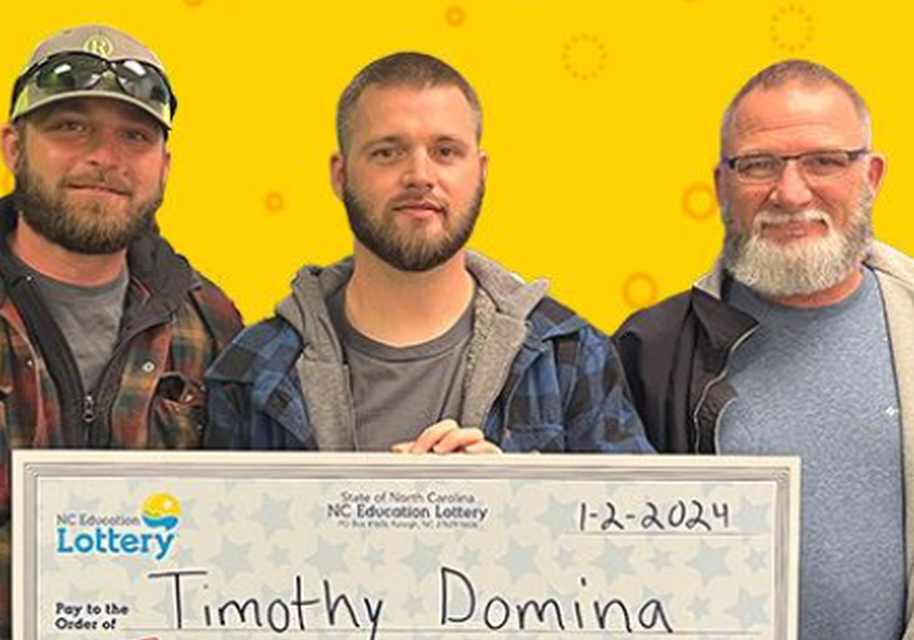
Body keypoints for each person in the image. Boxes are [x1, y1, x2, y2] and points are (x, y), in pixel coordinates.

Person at [0, 25, 242, 639]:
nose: (105, 158)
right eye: (71, 127)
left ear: (164, 166)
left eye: (135, 136)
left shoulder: (210, 323)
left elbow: (243, 540)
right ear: (14, 146)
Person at [616, 59, 914, 640]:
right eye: (758, 165)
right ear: (721, 185)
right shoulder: (648, 352)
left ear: (870, 176)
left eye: (825, 161)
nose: (790, 192)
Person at [206, 52, 649, 455]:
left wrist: (517, 503)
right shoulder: (256, 367)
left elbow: (638, 537)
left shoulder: (569, 355)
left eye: (445, 152)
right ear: (340, 176)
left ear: (480, 171)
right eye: (387, 152)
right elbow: (213, 538)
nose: (420, 175)